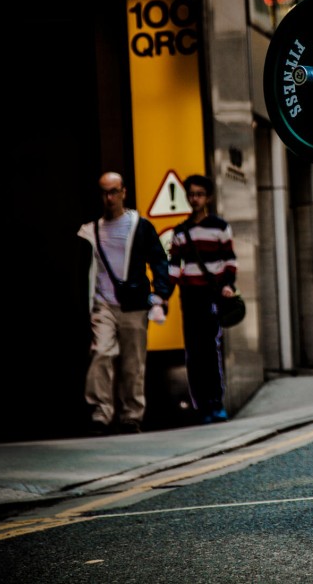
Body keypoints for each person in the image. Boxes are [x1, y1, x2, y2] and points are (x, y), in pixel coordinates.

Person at [78, 172, 171, 435]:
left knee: (133, 362)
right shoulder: (90, 231)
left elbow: (159, 261)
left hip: (135, 304)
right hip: (103, 304)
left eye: (114, 191)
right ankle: (100, 412)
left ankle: (131, 415)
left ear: (123, 192)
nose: (109, 198)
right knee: (101, 353)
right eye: (104, 192)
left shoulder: (139, 226)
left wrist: (161, 295)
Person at [168, 174, 238, 424]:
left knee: (210, 350)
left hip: (212, 293)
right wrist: (164, 295)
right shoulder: (180, 231)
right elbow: (174, 266)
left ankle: (215, 403)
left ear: (208, 197)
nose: (194, 199)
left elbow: (230, 259)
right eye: (191, 194)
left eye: (199, 194)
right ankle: (201, 407)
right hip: (189, 295)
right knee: (193, 353)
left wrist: (228, 285)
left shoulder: (220, 227)